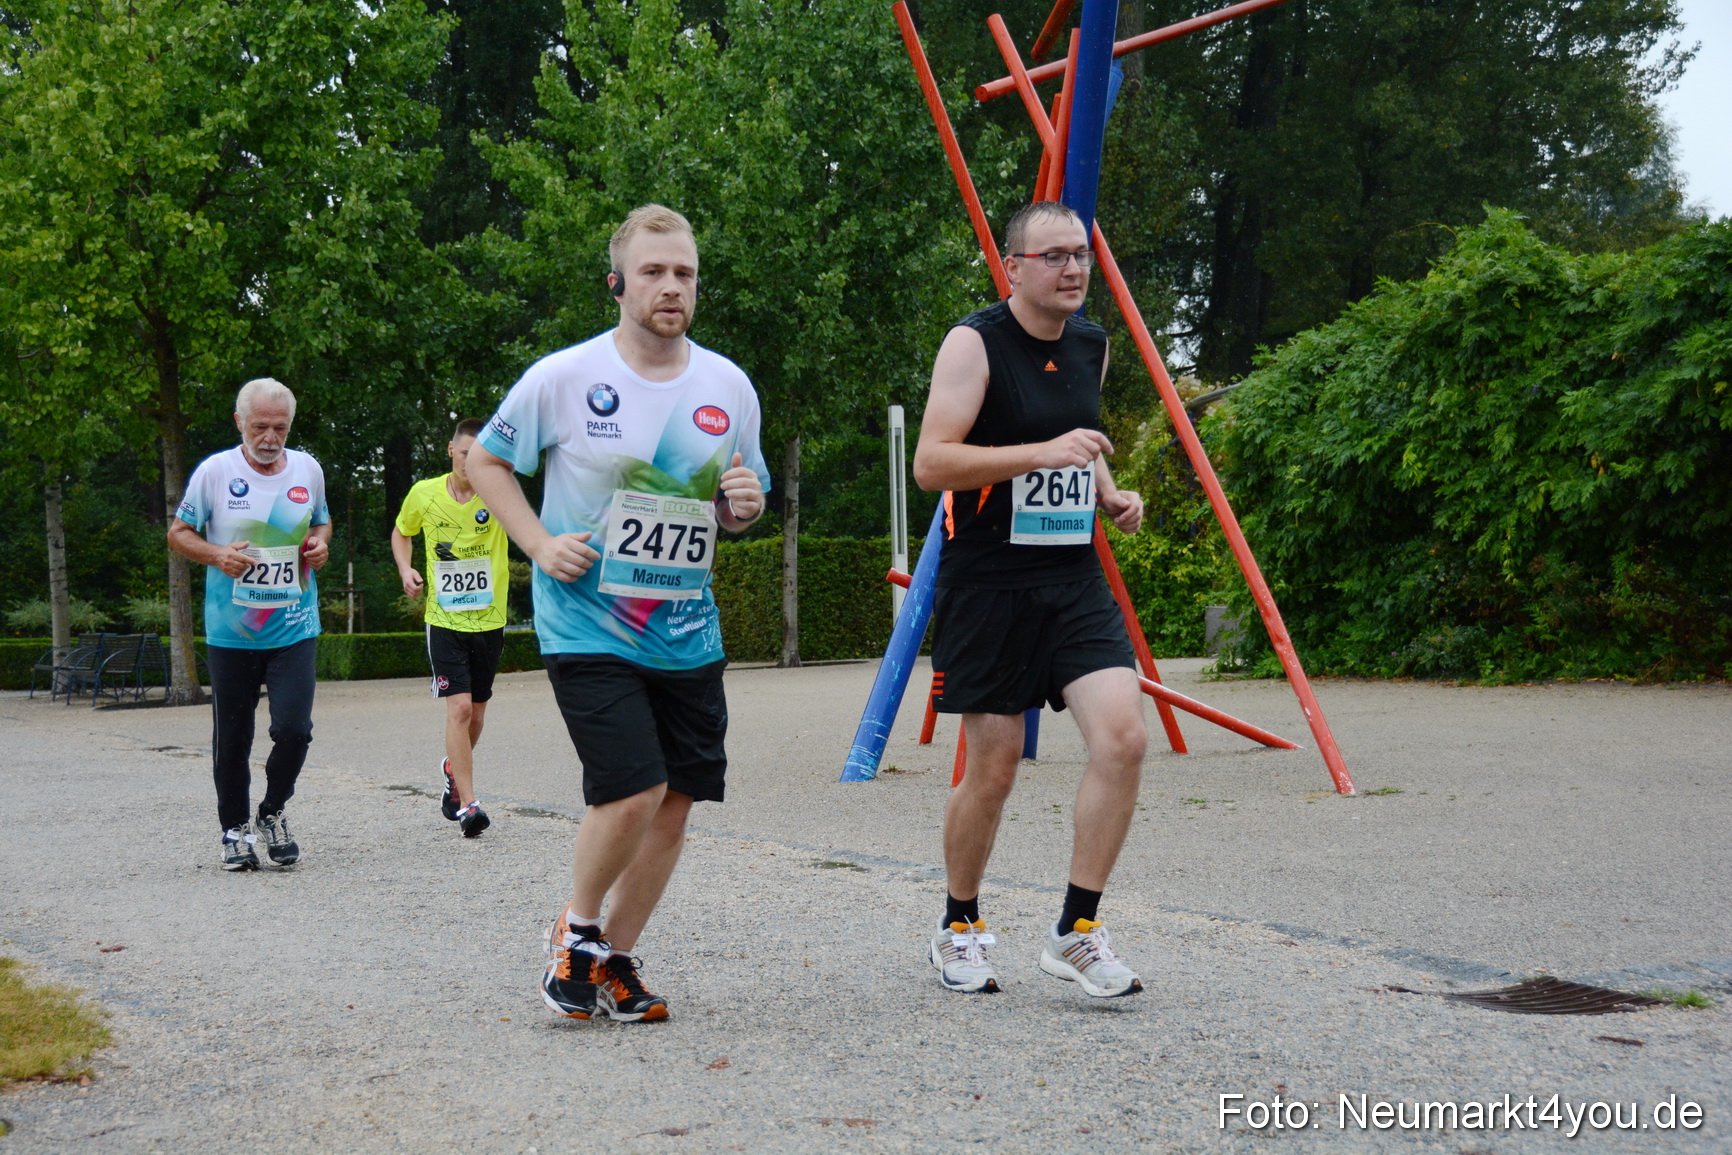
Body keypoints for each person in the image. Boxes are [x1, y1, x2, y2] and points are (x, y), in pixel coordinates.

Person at [468, 204, 769, 1023]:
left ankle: (614, 962)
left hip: (685, 627)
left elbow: (742, 499)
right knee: (634, 787)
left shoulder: (728, 385)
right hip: (588, 620)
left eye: (685, 274)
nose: (672, 286)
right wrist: (534, 541)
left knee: (676, 801)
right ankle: (578, 930)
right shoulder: (563, 377)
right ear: (618, 283)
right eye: (654, 272)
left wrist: (742, 504)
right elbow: (489, 459)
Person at [912, 201, 1148, 998]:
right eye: (1053, 256)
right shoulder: (973, 344)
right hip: (989, 582)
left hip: (1073, 575)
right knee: (996, 767)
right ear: (1014, 267)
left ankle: (1077, 930)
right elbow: (933, 463)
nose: (1073, 269)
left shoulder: (1092, 343)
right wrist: (1041, 453)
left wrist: (1108, 491)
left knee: (1122, 738)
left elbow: (1075, 432)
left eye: (1081, 254)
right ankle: (960, 924)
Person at [168, 378, 332, 871]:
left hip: (294, 625)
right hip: (232, 632)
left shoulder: (308, 469)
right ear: (239, 421)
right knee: (233, 738)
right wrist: (217, 554)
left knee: (294, 730)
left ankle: (273, 811)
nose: (269, 437)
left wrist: (320, 545)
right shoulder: (215, 472)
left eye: (279, 427)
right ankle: (234, 830)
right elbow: (178, 533)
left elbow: (321, 521)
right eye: (259, 426)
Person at [391, 418, 512, 838]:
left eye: (480, 457)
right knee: (458, 708)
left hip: (489, 619)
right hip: (444, 618)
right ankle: (469, 803)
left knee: (476, 714)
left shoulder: (499, 492)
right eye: (465, 455)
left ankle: (451, 769)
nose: (470, 463)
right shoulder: (423, 493)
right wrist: (406, 568)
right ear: (450, 451)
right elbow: (401, 532)